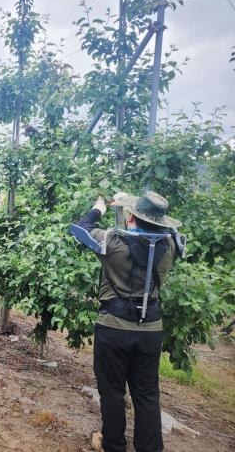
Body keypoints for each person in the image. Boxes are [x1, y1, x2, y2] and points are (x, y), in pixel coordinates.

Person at [75, 191, 182, 452]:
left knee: (111, 391)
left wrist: (99, 208)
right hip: (150, 330)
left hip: (114, 327)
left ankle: (113, 445)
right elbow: (144, 235)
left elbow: (80, 229)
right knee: (146, 394)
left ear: (131, 218)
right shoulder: (170, 245)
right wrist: (129, 206)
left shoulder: (112, 242)